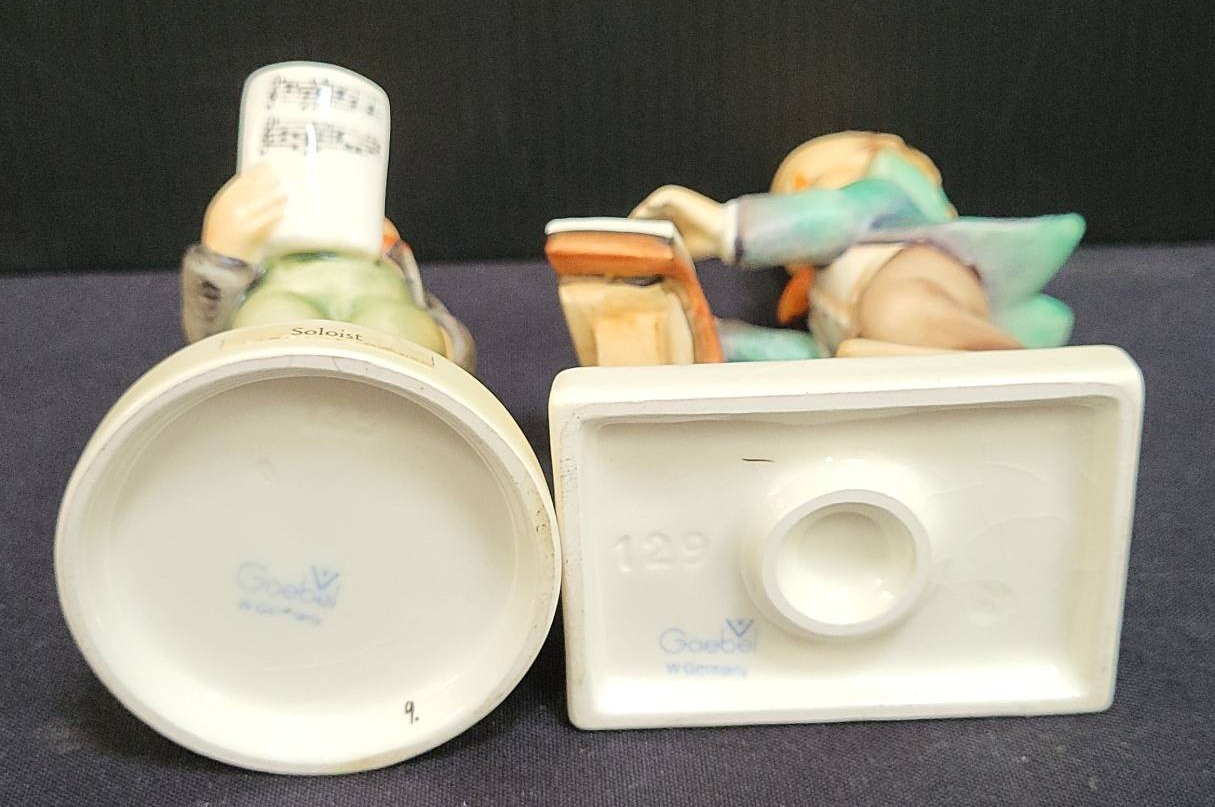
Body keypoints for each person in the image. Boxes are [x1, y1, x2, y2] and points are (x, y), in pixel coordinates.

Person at [630, 131, 1082, 358]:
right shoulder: (821, 310)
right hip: (863, 355)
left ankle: (1004, 367)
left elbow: (836, 215)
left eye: (813, 184)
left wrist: (724, 228)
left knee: (899, 307)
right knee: (833, 371)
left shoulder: (887, 200)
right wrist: (714, 339)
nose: (801, 199)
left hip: (918, 276)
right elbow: (806, 361)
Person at [180, 162, 474, 370]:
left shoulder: (379, 237)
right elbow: (207, 343)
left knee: (399, 328)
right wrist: (223, 255)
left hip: (389, 337)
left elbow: (427, 309)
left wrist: (449, 346)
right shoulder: (265, 239)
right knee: (273, 324)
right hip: (278, 327)